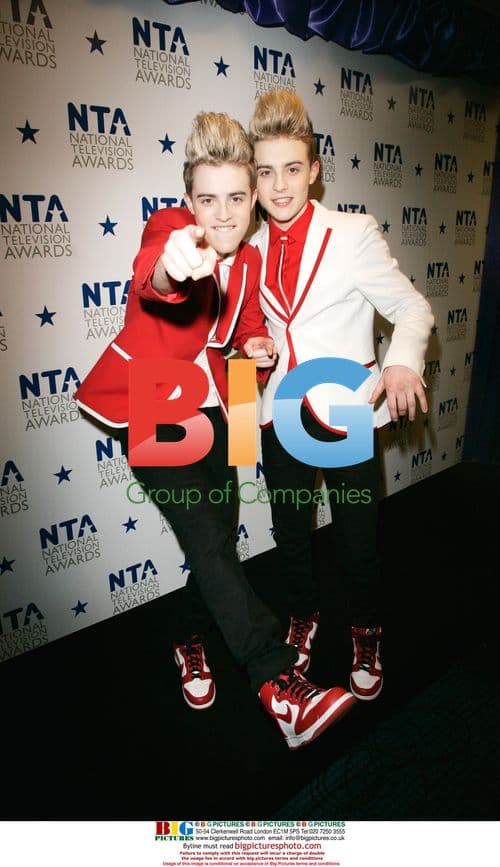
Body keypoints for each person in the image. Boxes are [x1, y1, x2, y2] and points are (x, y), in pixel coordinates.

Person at [74, 111, 357, 749]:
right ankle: (277, 682)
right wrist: (176, 266)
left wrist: (255, 346)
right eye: (207, 199)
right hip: (152, 399)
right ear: (188, 198)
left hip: (223, 402)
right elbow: (156, 277)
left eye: (235, 197)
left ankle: (188, 637)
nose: (222, 215)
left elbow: (247, 326)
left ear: (253, 195)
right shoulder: (171, 231)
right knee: (206, 536)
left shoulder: (252, 260)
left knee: (220, 535)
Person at [248, 90, 434, 701]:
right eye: (266, 171)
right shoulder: (244, 248)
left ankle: (366, 630)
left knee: (358, 540)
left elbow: (410, 306)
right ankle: (303, 615)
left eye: (292, 169)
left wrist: (402, 363)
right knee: (290, 536)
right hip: (279, 416)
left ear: (315, 170)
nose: (279, 186)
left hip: (346, 412)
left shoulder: (352, 233)